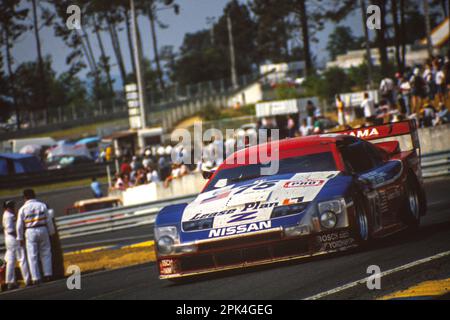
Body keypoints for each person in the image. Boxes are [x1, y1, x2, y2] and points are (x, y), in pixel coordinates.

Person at [16, 189, 55, 285]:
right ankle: (48, 275)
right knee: (46, 253)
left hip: (30, 231)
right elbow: (48, 220)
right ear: (34, 195)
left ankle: (36, 278)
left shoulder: (23, 209)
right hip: (43, 229)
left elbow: (19, 225)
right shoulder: (42, 205)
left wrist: (20, 237)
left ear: (25, 197)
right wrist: (51, 232)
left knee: (32, 255)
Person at [2, 201, 31, 290]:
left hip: (8, 239)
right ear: (7, 208)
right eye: (11, 206)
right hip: (13, 238)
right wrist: (20, 237)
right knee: (22, 258)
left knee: (11, 261)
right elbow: (11, 230)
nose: (13, 208)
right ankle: (27, 280)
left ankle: (10, 282)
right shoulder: (9, 216)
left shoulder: (6, 215)